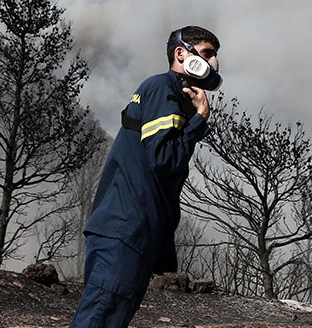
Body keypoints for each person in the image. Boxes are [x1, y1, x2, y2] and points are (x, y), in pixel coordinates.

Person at [70, 25, 222, 328]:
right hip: (125, 229)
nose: (214, 62)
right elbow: (164, 159)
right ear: (181, 53)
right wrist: (199, 121)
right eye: (207, 53)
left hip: (134, 233)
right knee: (99, 319)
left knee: (110, 319)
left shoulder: (173, 95)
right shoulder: (161, 89)